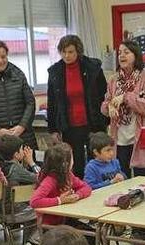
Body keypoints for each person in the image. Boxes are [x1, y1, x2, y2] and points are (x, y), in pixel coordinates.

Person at [46, 35, 109, 178]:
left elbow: (104, 95)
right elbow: (52, 103)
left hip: (93, 123)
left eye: (70, 52)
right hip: (70, 126)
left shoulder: (93, 67)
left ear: (78, 51)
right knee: (76, 164)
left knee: (98, 160)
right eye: (63, 52)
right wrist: (53, 129)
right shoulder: (55, 72)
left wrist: (106, 121)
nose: (66, 55)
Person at [101, 39, 145, 178]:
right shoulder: (114, 79)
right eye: (120, 53)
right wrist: (109, 107)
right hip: (119, 136)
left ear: (136, 55)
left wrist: (126, 97)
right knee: (121, 178)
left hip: (140, 135)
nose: (122, 56)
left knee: (142, 178)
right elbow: (104, 105)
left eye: (126, 52)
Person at [0, 40, 38, 150]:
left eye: (3, 57)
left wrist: (22, 126)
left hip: (24, 136)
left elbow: (30, 103)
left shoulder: (18, 75)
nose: (0, 61)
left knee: (30, 166)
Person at [29, 143, 92, 227]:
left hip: (65, 219)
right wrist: (60, 200)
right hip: (51, 225)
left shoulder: (68, 175)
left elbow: (86, 187)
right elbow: (34, 201)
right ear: (65, 164)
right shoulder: (50, 180)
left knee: (91, 234)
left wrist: (78, 195)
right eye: (72, 157)